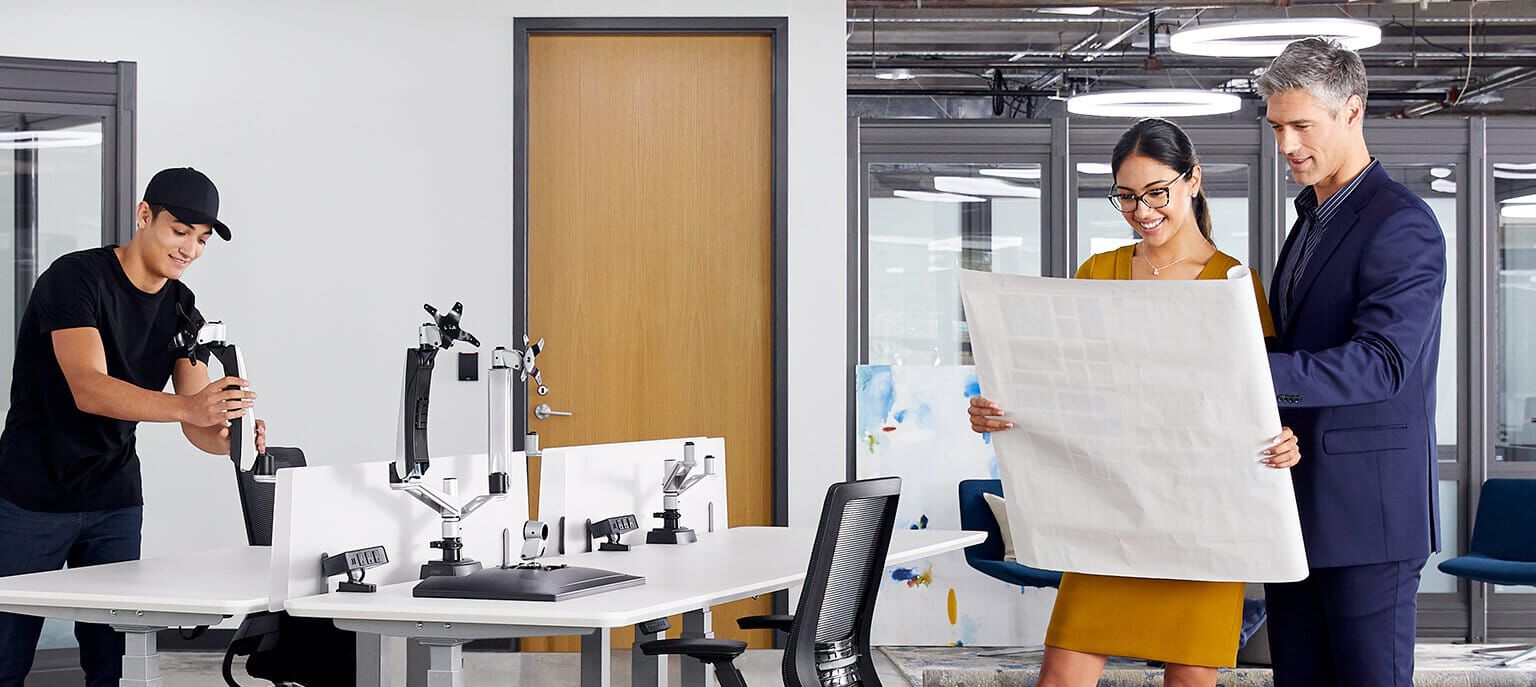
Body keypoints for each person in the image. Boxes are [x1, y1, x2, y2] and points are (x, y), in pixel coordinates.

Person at [967, 118, 1301, 687]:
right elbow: (1060, 386)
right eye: (1125, 196)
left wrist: (1285, 437)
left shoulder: (1233, 285)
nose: (1140, 210)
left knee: (1189, 681)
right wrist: (998, 411)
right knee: (1061, 678)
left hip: (1201, 524)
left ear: (1192, 181)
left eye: (1155, 193)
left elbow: (1260, 397)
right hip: (1109, 515)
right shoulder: (1098, 272)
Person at [0, 167, 266, 686]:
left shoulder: (182, 308)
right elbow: (89, 388)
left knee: (114, 660)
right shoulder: (75, 279)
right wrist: (192, 410)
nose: (190, 249)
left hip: (114, 500)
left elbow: (196, 416)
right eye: (179, 231)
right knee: (6, 657)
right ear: (145, 216)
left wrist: (231, 435)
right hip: (32, 496)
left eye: (203, 239)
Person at [1257, 37, 1446, 687]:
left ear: (1352, 112)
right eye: (1277, 126)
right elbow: (1298, 343)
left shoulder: (1403, 223)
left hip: (1371, 520)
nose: (1286, 144)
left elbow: (1381, 363)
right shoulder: (1310, 219)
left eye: (1301, 125)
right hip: (1296, 511)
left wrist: (1251, 375)